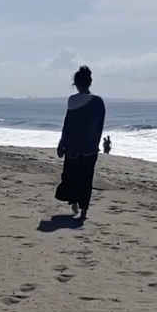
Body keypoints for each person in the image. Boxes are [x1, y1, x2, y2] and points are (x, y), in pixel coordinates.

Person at [55, 66, 105, 220]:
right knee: (86, 178)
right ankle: (84, 210)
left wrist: (61, 143)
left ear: (76, 84)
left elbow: (67, 125)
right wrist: (94, 144)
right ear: (90, 82)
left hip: (72, 147)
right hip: (90, 148)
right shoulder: (98, 102)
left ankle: (74, 202)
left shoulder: (72, 100)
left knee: (71, 176)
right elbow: (99, 127)